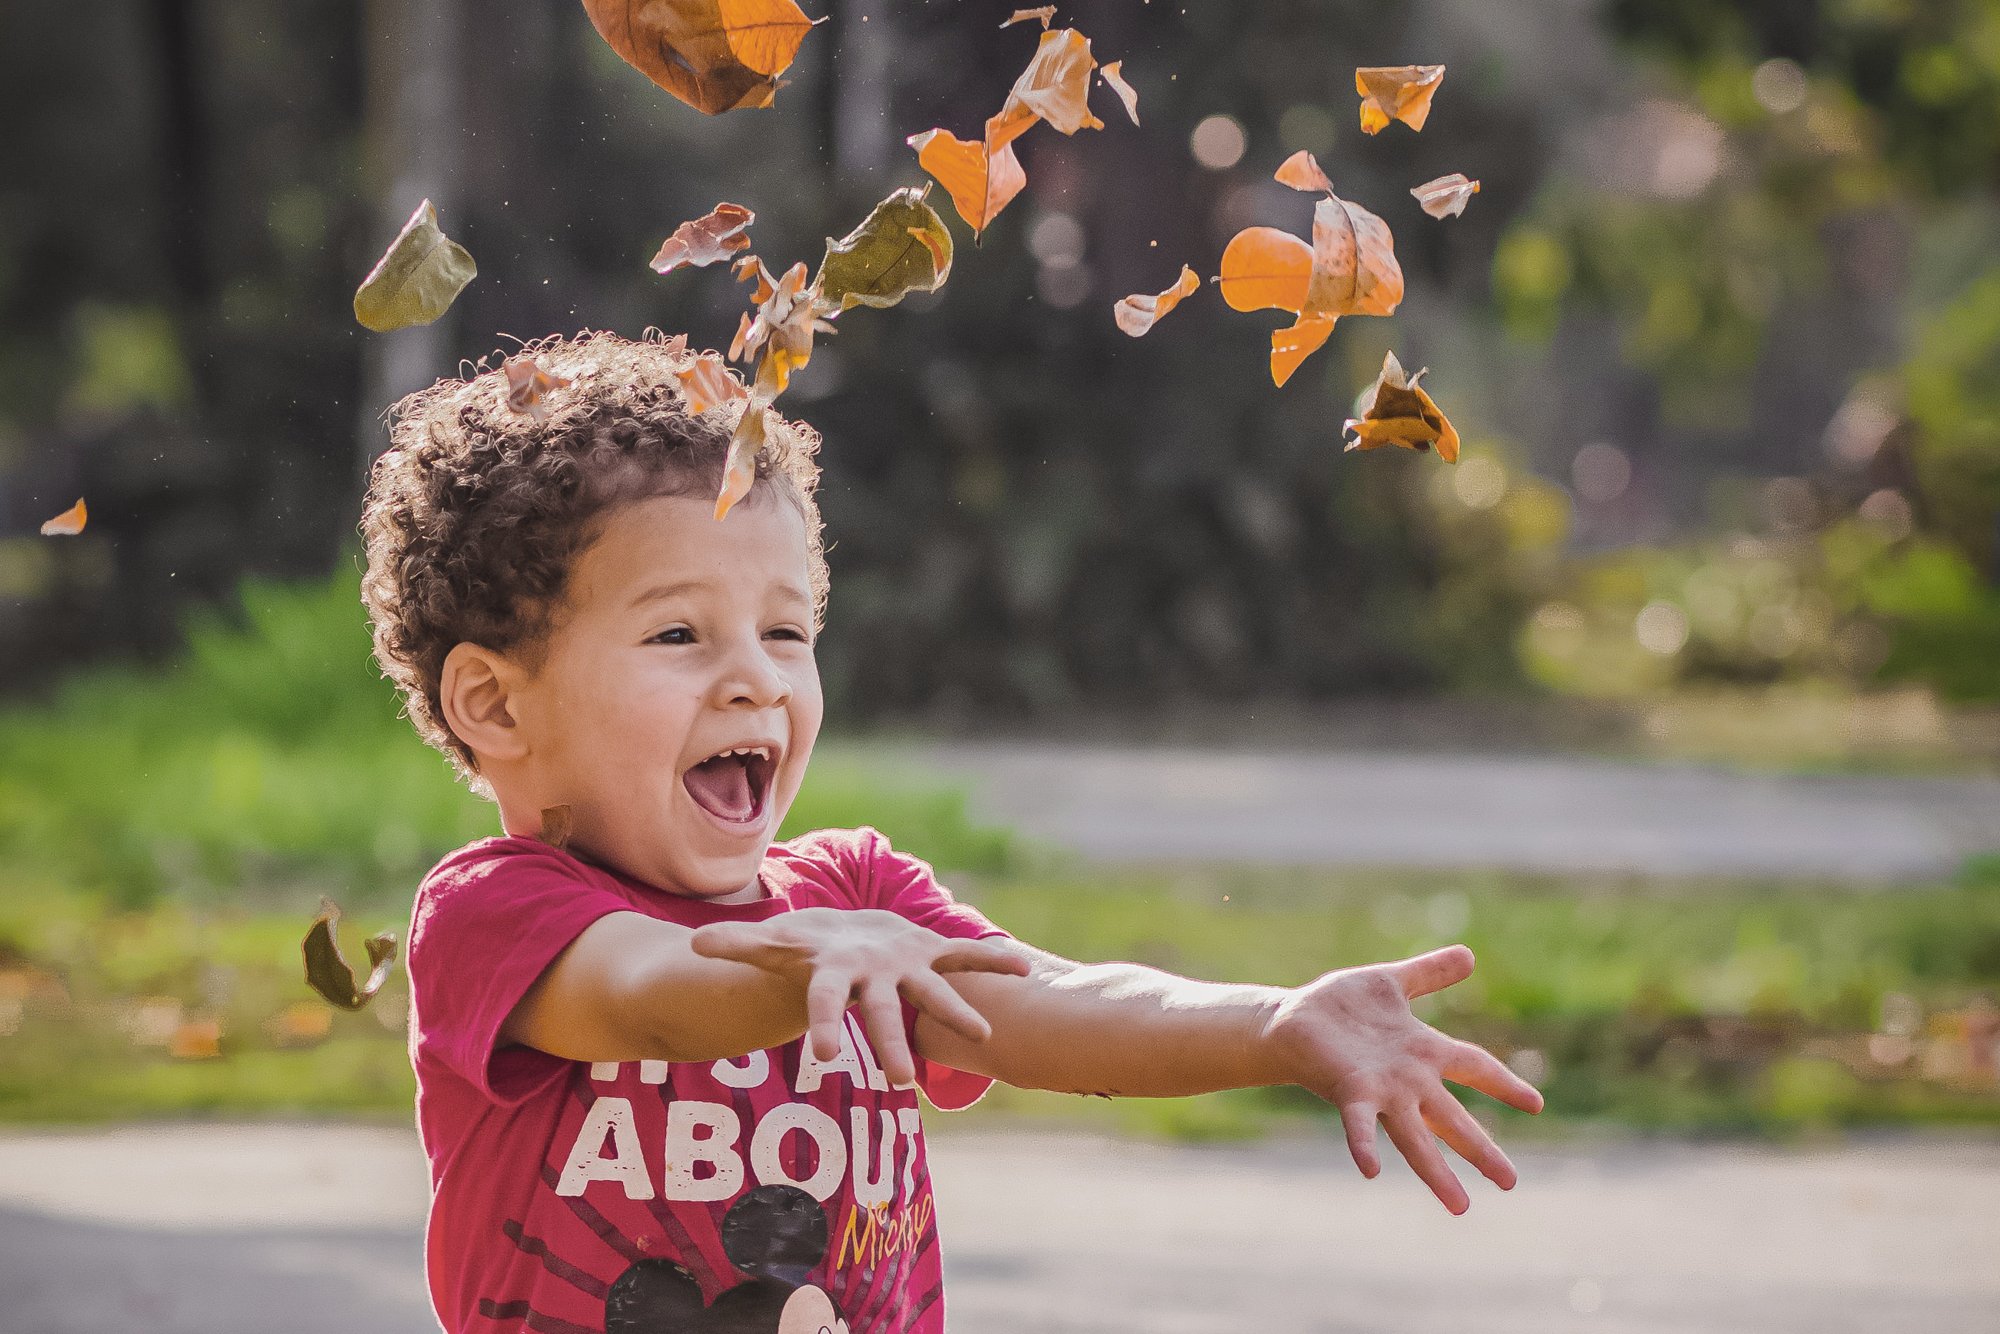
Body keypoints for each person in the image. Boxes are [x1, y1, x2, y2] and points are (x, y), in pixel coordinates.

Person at [362, 329, 1543, 1334]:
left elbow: (1049, 1004)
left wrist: (1270, 1024)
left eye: (784, 631)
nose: (753, 681)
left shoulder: (857, 891)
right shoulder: (492, 911)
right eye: (678, 635)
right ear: (496, 703)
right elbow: (650, 991)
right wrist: (827, 955)